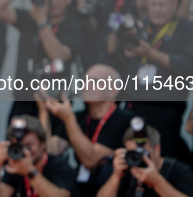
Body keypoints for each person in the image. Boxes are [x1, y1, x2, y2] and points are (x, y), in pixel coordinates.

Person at [106, 0, 193, 162]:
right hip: (134, 105)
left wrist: (149, 53)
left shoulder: (188, 29)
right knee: (132, 156)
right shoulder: (139, 24)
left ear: (174, 4)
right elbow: (113, 52)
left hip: (167, 109)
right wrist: (119, 30)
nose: (157, 10)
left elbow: (188, 66)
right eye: (153, 4)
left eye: (162, 5)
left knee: (162, 157)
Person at [0, 0, 82, 119]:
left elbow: (59, 56)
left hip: (53, 103)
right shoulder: (28, 19)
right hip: (23, 99)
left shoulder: (73, 27)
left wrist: (42, 22)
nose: (54, 2)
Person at [44, 64, 134, 197]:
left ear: (114, 90)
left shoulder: (125, 119)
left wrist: (68, 119)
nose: (87, 85)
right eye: (84, 81)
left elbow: (91, 159)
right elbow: (50, 151)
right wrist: (43, 111)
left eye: (95, 81)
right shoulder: (78, 117)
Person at [0, 115, 75, 197]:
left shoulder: (59, 165)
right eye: (19, 146)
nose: (25, 151)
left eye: (28, 146)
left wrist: (30, 172)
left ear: (42, 144)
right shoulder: (15, 166)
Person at [97, 124, 193, 197]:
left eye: (142, 152)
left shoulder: (179, 171)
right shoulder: (127, 169)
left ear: (157, 149)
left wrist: (157, 182)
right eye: (133, 153)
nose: (138, 158)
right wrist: (116, 175)